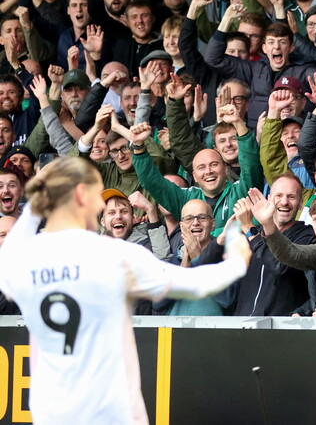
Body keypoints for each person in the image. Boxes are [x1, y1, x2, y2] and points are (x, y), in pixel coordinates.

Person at [0, 156, 250, 424]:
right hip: (109, 411)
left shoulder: (27, 260)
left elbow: (9, 254)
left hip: (51, 413)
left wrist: (34, 204)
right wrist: (236, 253)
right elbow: (199, 283)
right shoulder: (117, 255)